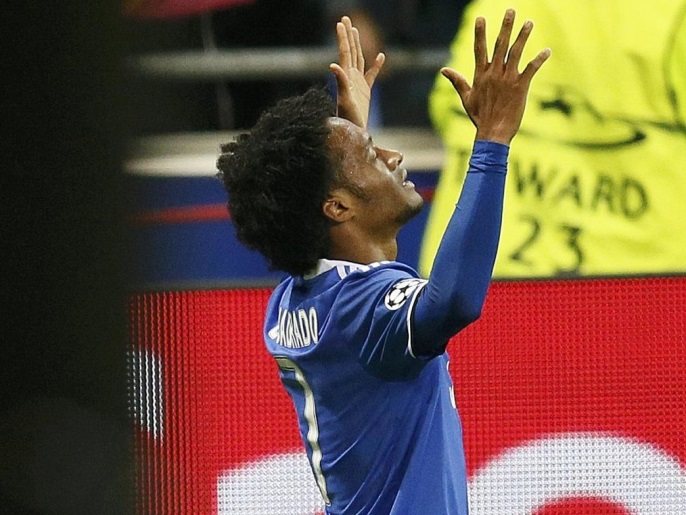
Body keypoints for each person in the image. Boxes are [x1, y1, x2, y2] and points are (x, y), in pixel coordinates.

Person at [217, 11, 549, 514]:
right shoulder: (364, 310)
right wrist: (492, 142)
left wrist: (351, 134)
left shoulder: (292, 303)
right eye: (373, 153)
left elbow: (326, 205)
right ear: (338, 206)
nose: (394, 156)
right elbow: (454, 300)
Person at [420, 0, 686, 279]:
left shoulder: (495, 6)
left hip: (475, 280)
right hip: (644, 287)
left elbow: (447, 108)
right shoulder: (672, 13)